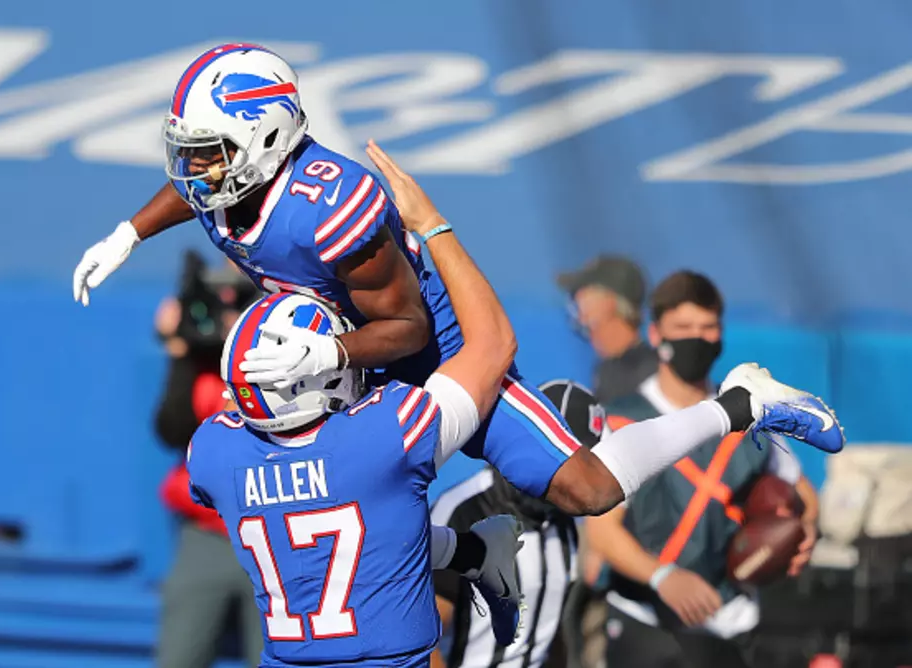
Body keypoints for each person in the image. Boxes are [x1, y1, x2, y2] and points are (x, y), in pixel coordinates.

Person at [71, 47, 844, 543]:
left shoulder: (332, 206)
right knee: (322, 513)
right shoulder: (237, 176)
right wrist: (129, 233)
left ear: (267, 142)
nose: (194, 172)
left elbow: (403, 329)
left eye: (211, 153)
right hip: (336, 360)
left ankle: (744, 403)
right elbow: (198, 193)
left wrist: (331, 350)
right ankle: (470, 558)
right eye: (192, 152)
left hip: (425, 353)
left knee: (583, 487)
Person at [186, 144, 526, 667]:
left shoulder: (216, 451)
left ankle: (474, 554)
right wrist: (433, 227)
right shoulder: (384, 434)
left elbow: (317, 528)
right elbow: (496, 344)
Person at [587, 271, 820, 668]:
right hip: (646, 621)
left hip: (732, 623)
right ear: (657, 334)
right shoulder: (625, 420)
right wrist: (663, 577)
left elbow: (804, 498)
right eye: (684, 327)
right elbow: (602, 533)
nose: (696, 337)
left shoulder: (750, 415)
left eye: (707, 327)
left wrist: (802, 536)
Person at [428, 381, 604, 668]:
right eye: (567, 459)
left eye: (587, 461)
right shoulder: (462, 514)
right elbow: (422, 643)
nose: (576, 476)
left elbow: (546, 629)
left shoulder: (563, 523)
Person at [152, 255, 265, 668]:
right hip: (206, 534)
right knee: (180, 656)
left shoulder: (282, 352)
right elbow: (171, 429)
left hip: (276, 531)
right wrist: (180, 350)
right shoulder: (199, 367)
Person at [557, 256, 658, 403]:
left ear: (609, 302)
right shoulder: (607, 369)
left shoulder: (649, 371)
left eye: (583, 296)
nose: (577, 308)